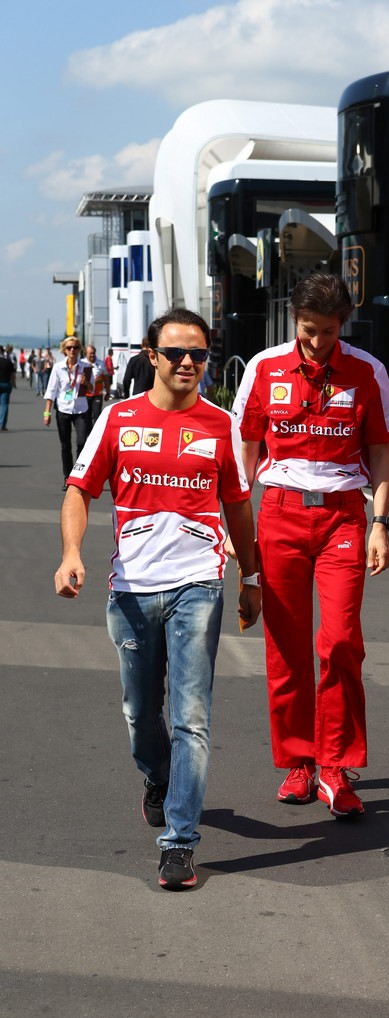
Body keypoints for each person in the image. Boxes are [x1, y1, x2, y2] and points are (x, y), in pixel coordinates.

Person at [54, 307, 261, 891]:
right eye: (176, 353)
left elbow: (239, 508)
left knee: (191, 716)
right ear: (152, 356)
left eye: (199, 353)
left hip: (199, 584)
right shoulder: (118, 419)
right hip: (131, 589)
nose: (189, 363)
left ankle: (178, 841)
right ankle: (158, 777)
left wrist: (250, 578)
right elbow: (78, 488)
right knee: (141, 713)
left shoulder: (220, 425)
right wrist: (72, 553)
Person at [232, 272, 389, 817]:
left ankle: (336, 764)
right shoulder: (263, 368)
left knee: (340, 641)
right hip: (280, 510)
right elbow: (247, 450)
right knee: (285, 644)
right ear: (294, 319)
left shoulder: (366, 370)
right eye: (308, 330)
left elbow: (380, 452)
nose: (316, 341)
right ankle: (299, 762)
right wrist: (240, 529)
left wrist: (381, 522)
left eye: (327, 331)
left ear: (343, 324)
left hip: (344, 518)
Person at [43, 338, 93, 489]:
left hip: (80, 409)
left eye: (76, 347)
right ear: (64, 350)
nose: (73, 350)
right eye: (70, 347)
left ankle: (79, 474)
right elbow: (51, 391)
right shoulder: (58, 368)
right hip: (63, 409)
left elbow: (91, 389)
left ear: (79, 350)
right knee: (65, 445)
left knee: (82, 442)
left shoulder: (86, 367)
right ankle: (68, 476)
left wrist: (86, 383)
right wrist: (47, 413)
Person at [84, 344, 108, 423]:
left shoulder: (101, 363)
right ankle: (88, 434)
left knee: (97, 416)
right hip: (85, 395)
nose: (92, 355)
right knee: (86, 416)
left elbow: (106, 378)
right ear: (86, 354)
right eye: (90, 353)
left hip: (97, 394)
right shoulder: (82, 363)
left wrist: (108, 392)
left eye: (93, 353)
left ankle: (96, 434)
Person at [0, 346, 16, 431]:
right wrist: (13, 383)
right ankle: (2, 424)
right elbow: (13, 374)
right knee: (4, 405)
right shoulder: (8, 362)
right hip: (6, 383)